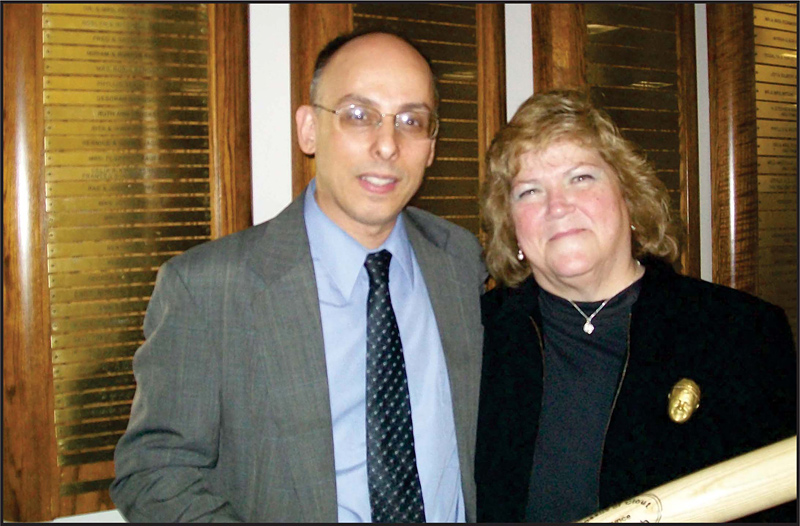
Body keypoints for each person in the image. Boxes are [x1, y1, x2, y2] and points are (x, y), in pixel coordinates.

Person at [111, 31, 486, 522]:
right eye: (358, 115)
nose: (388, 145)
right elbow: (154, 470)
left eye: (411, 121)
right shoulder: (207, 288)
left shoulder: (459, 261)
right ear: (308, 129)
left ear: (432, 146)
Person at [475, 90, 796, 523]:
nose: (557, 206)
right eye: (529, 191)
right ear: (511, 228)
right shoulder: (475, 338)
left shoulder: (741, 333)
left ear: (629, 197)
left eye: (581, 178)